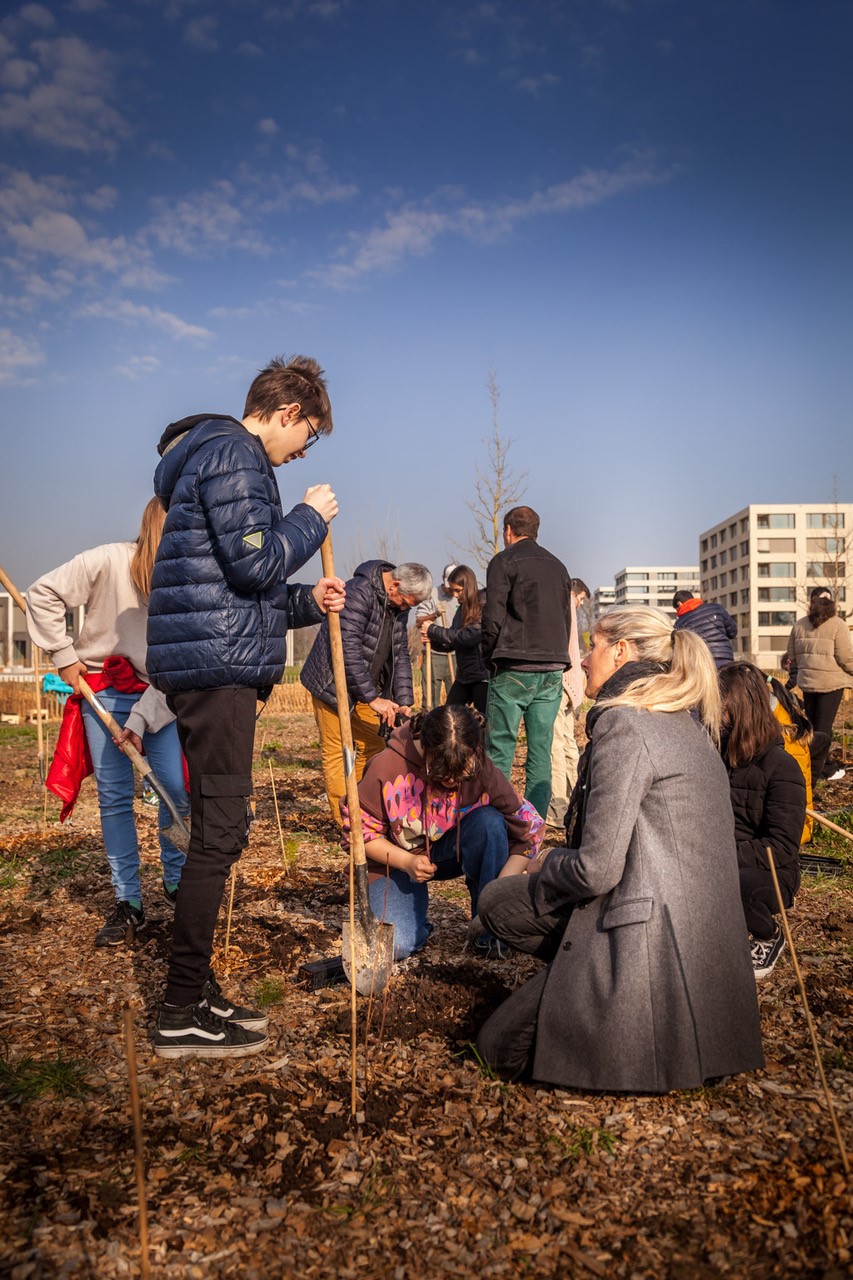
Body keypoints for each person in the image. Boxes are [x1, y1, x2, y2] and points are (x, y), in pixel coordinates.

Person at [474, 607, 764, 1092]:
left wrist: (545, 861)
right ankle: (576, 978)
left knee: (497, 1048)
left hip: (649, 946)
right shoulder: (684, 721)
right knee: (496, 902)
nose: (583, 660)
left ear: (621, 651)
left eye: (593, 646)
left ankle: (602, 1006)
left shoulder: (625, 724)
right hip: (702, 947)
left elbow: (597, 870)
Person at [146, 354, 345, 1060]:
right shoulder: (235, 453)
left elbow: (244, 591)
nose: (301, 454)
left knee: (218, 830)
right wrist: (309, 520)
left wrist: (307, 602)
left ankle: (194, 993)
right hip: (217, 674)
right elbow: (257, 562)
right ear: (288, 413)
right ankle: (178, 1010)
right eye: (308, 436)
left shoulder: (215, 457)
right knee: (220, 835)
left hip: (214, 661)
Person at [26, 498, 189, 947]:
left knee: (172, 786)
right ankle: (128, 902)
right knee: (116, 798)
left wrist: (143, 717)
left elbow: (177, 661)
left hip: (162, 694)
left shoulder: (185, 581)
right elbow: (42, 593)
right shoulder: (108, 560)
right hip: (102, 692)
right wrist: (63, 657)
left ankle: (177, 885)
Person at [343, 704, 544, 961]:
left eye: (461, 775)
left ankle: (488, 933)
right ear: (425, 749)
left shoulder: (480, 767)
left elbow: (530, 829)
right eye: (441, 774)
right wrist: (407, 862)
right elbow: (358, 836)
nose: (452, 782)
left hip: (450, 849)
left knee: (490, 823)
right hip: (395, 859)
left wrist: (497, 893)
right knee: (397, 945)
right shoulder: (387, 767)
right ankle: (415, 924)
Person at [301, 560, 432, 825]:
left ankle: (364, 807)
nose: (406, 608)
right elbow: (346, 650)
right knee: (338, 752)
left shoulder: (397, 605)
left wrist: (404, 701)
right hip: (332, 685)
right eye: (406, 602)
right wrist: (372, 699)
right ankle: (347, 825)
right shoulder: (358, 592)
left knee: (374, 745)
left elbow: (400, 654)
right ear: (394, 585)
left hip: (367, 688)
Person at [481, 506, 571, 817]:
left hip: (513, 665)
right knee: (540, 752)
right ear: (536, 530)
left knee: (499, 750)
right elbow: (565, 618)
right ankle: (534, 824)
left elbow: (492, 617)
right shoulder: (559, 566)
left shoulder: (503, 561)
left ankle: (496, 819)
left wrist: (488, 656)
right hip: (552, 668)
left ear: (508, 530)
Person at [718, 663, 806, 980]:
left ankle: (768, 934)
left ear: (741, 709)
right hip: (721, 857)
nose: (714, 716)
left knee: (727, 885)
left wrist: (723, 855)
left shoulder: (781, 767)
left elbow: (782, 847)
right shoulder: (717, 754)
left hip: (771, 871)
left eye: (721, 707)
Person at [785, 587, 853, 782]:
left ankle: (811, 765)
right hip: (831, 685)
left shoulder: (799, 625)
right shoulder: (838, 624)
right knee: (824, 729)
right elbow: (845, 657)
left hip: (807, 683)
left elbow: (792, 655)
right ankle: (816, 773)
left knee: (812, 727)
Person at [547, 577, 590, 827]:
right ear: (574, 592)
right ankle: (576, 790)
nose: (580, 603)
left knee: (556, 744)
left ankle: (559, 802)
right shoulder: (568, 606)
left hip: (559, 684)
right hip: (568, 684)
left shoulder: (563, 608)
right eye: (581, 598)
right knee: (566, 741)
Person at [421, 565, 489, 715]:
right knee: (449, 715)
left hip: (482, 677)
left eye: (458, 590)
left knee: (485, 721)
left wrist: (433, 629)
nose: (455, 595)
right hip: (464, 677)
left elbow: (468, 637)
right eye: (452, 591)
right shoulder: (461, 609)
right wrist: (433, 640)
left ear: (469, 587)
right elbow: (452, 641)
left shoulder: (483, 605)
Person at [416, 564, 457, 708]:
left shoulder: (462, 596)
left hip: (456, 654)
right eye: (450, 588)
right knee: (430, 700)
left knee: (456, 700)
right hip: (433, 653)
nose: (453, 591)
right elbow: (418, 622)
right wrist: (435, 614)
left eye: (455, 588)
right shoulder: (432, 595)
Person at [672, 590, 738, 668]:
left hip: (702, 665)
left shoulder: (679, 623)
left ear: (679, 604)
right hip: (726, 659)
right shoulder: (716, 608)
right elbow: (733, 632)